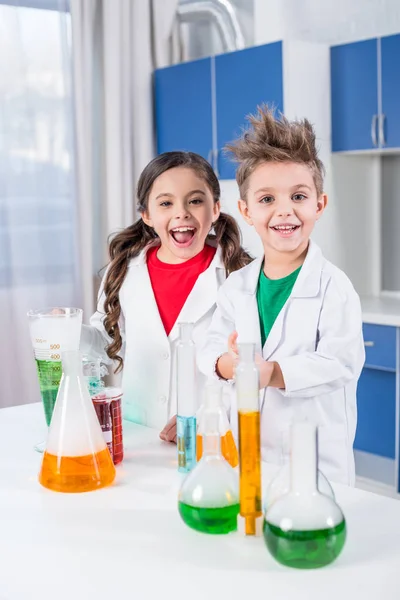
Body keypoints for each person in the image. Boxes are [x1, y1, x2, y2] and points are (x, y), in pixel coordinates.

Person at [198, 106, 365, 485]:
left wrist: (269, 372)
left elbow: (340, 363)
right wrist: (229, 365)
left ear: (319, 205)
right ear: (246, 210)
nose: (284, 211)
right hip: (246, 458)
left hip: (317, 467)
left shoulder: (334, 288)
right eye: (267, 199)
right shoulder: (236, 287)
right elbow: (208, 349)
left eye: (299, 196)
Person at [80, 151, 252, 443]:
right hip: (139, 434)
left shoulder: (242, 277)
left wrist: (210, 415)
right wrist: (69, 335)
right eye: (165, 203)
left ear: (216, 209)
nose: (181, 212)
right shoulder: (121, 271)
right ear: (147, 215)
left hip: (211, 438)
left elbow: (252, 367)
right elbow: (105, 339)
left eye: (195, 200)